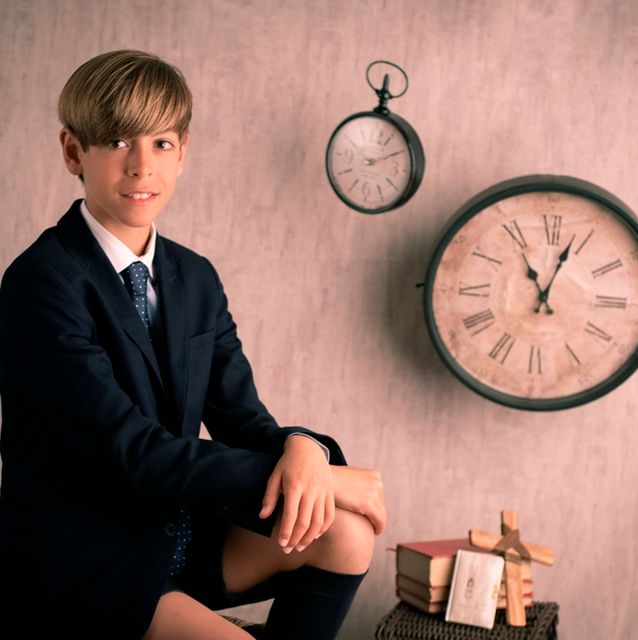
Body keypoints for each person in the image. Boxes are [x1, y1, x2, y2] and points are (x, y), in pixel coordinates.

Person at [0, 50, 386, 640]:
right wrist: (324, 477)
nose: (140, 168)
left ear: (183, 152)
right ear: (74, 151)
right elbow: (131, 452)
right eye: (118, 142)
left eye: (159, 144)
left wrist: (308, 449)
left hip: (174, 534)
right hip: (85, 562)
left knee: (346, 531)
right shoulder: (42, 282)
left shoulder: (194, 276)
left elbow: (244, 421)